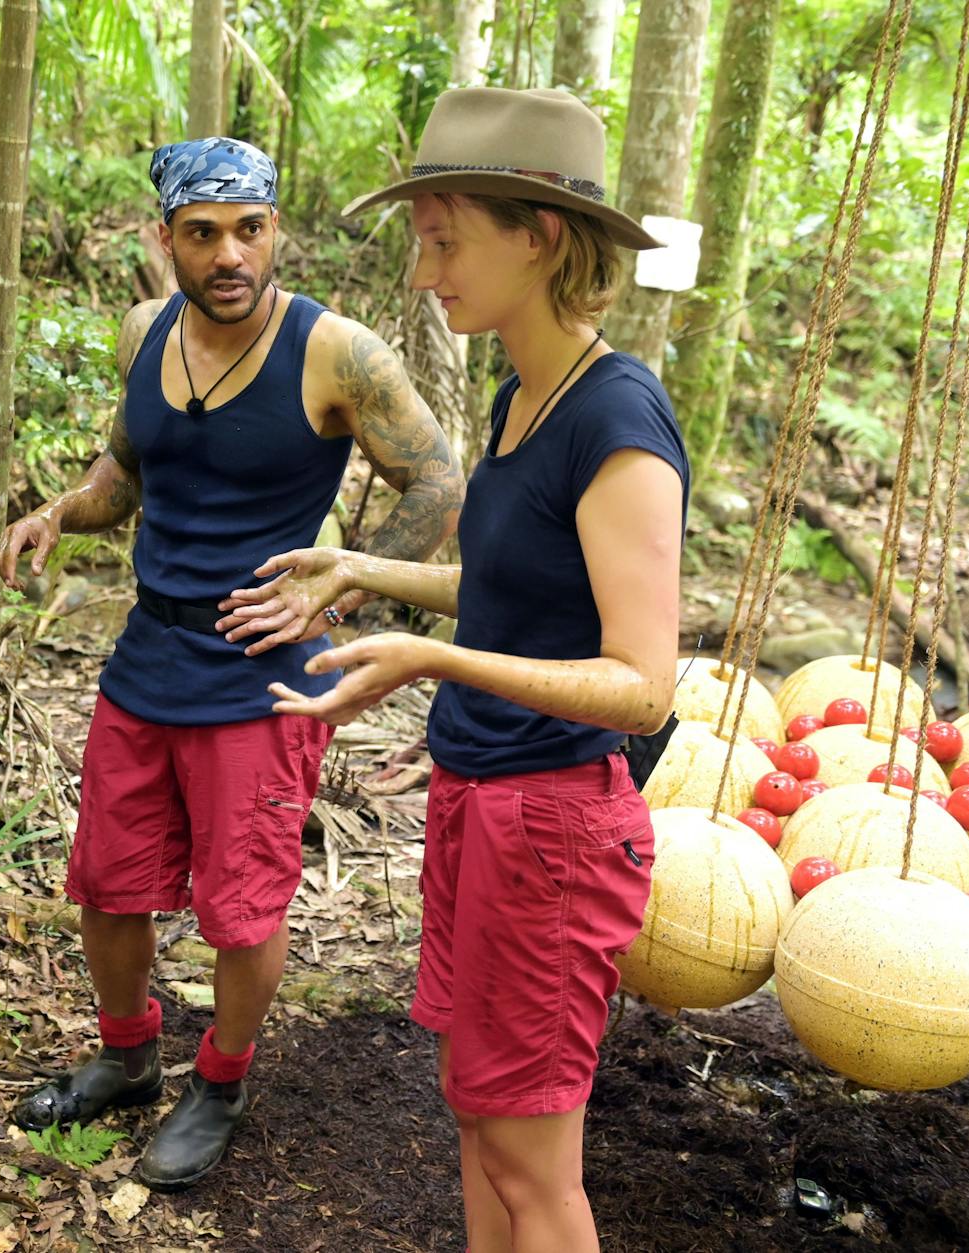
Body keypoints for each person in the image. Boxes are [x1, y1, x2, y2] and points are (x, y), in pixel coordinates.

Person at [219, 87, 689, 1252]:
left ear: (536, 237)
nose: (426, 273)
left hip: (556, 829)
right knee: (480, 1122)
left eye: (446, 241)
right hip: (481, 805)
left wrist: (427, 658)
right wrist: (360, 567)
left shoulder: (616, 421)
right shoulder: (520, 393)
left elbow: (642, 684)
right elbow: (514, 595)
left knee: (536, 1170)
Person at [0, 136, 465, 1191]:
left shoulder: (336, 352)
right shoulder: (142, 330)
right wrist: (57, 513)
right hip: (147, 652)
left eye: (247, 230)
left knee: (241, 903)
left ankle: (220, 1079)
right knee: (108, 884)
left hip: (261, 672)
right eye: (201, 234)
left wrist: (339, 579)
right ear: (165, 241)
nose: (227, 255)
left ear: (274, 231)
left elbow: (438, 481)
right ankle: (125, 1055)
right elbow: (126, 467)